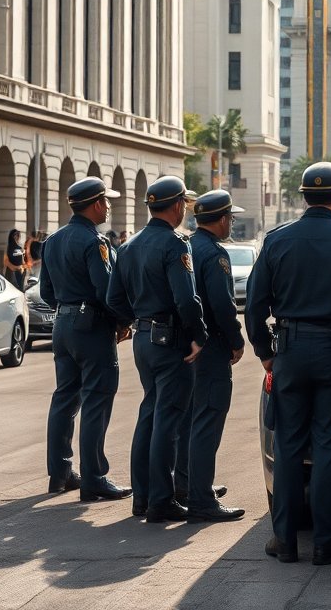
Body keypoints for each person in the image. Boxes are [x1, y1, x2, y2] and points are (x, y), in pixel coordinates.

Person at [246, 161, 331, 565]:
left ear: (304, 198)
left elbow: (254, 305)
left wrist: (266, 352)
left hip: (290, 350)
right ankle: (325, 541)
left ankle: (284, 540)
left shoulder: (276, 240)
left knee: (287, 445)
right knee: (329, 445)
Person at [106, 176, 207, 523]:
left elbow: (113, 298)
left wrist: (135, 319)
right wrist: (199, 335)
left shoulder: (129, 246)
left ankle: (143, 496)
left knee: (149, 415)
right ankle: (161, 501)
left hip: (143, 337)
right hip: (171, 339)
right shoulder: (175, 245)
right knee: (167, 420)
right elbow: (186, 299)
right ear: (177, 206)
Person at [38, 177, 132, 502]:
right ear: (95, 204)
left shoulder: (53, 240)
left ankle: (60, 472)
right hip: (91, 326)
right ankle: (95, 477)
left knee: (64, 398)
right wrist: (123, 322)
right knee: (97, 399)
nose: (108, 208)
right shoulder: (96, 242)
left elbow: (46, 291)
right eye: (106, 202)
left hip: (63, 323)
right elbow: (107, 291)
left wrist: (68, 309)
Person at [175, 190, 247, 523]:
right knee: (208, 421)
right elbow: (222, 305)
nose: (231, 223)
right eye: (230, 217)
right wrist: (236, 340)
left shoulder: (187, 246)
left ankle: (188, 486)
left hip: (188, 344)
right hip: (212, 346)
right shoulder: (215, 253)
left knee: (190, 420)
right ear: (221, 220)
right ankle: (201, 500)